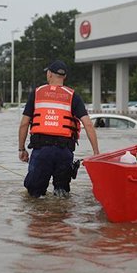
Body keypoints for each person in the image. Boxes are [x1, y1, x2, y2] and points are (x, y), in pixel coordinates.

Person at [18, 60, 100, 197]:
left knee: (34, 196)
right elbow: (88, 124)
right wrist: (96, 152)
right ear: (64, 77)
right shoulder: (73, 96)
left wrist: (22, 149)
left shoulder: (37, 93)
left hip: (41, 151)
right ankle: (60, 216)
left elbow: (24, 124)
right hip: (64, 152)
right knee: (61, 195)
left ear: (49, 74)